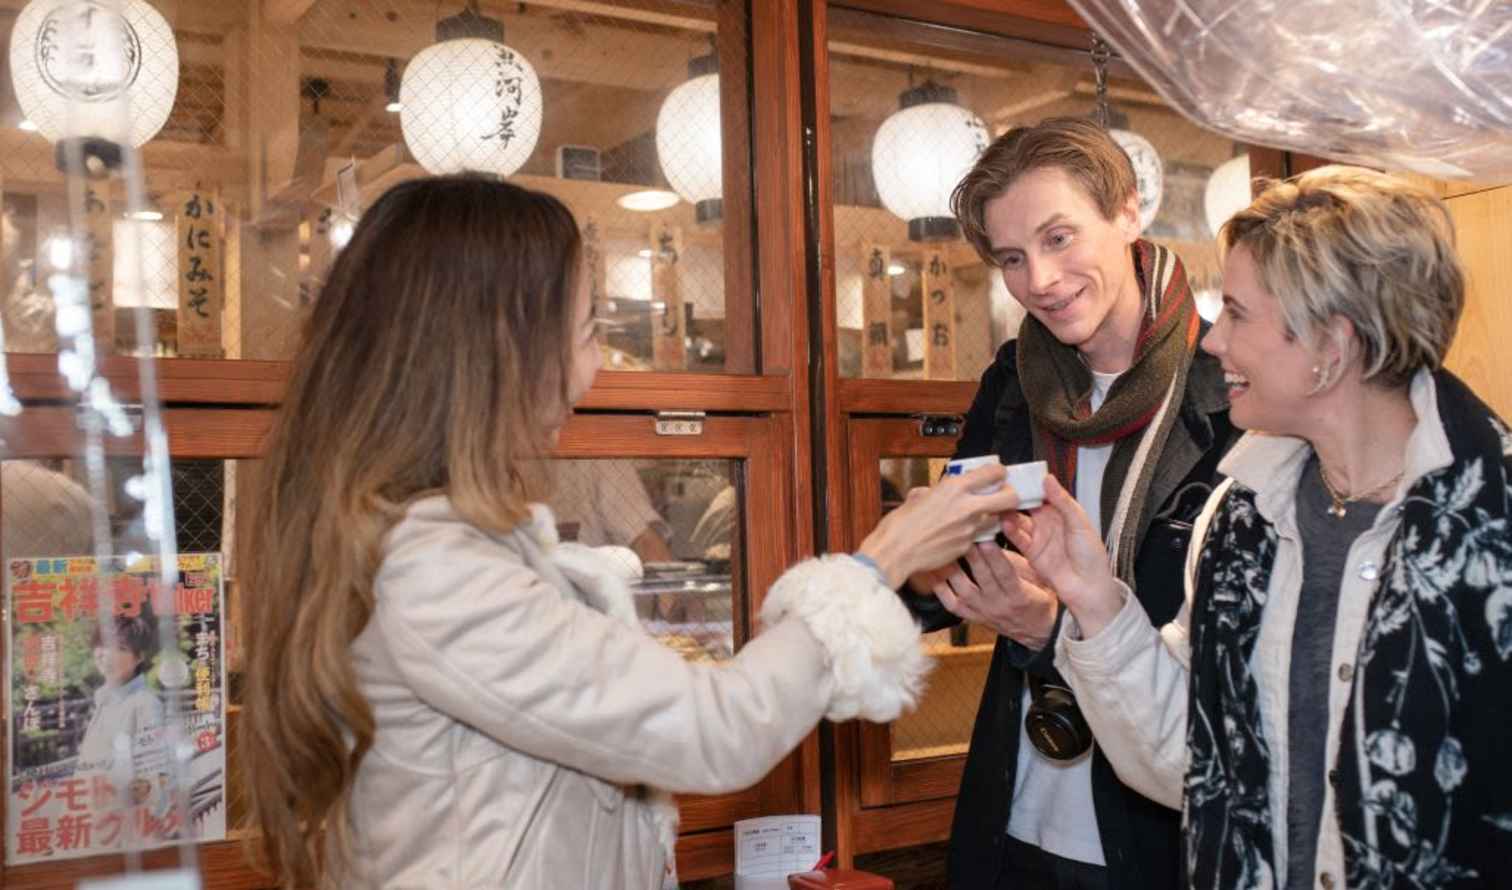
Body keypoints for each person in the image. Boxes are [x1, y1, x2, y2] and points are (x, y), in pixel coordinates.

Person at [237, 174, 1020, 890]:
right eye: (584, 334)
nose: (594, 372)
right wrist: (879, 562)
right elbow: (714, 729)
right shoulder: (429, 566)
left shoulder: (423, 540)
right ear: (494, 353)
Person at [1000, 166, 1512, 888]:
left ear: (1330, 347)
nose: (1214, 343)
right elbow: (1194, 759)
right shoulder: (1239, 517)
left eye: (1237, 313)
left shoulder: (1492, 525)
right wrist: (1092, 598)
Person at [899, 117, 1240, 890]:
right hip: (1017, 811)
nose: (1040, 281)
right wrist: (922, 560)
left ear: (1129, 210)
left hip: (1157, 834)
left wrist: (1050, 625)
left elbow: (1235, 676)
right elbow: (933, 597)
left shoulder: (1234, 395)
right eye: (1012, 258)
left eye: (1059, 238)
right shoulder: (1013, 387)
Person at [76, 612, 164, 776]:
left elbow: (154, 777)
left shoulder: (145, 704)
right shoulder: (103, 699)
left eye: (120, 648)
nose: (106, 654)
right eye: (101, 645)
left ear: (139, 657)